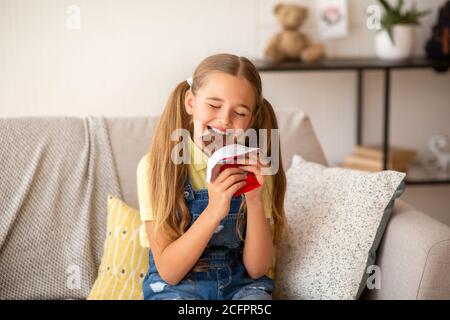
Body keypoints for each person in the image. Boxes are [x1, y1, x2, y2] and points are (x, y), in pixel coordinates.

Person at [137, 53, 287, 300]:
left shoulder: (256, 168)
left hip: (240, 287)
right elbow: (170, 272)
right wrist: (215, 210)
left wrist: (255, 200)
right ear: (190, 103)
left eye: (239, 112)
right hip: (175, 289)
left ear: (251, 121)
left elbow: (257, 268)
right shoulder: (156, 168)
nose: (224, 120)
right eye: (214, 105)